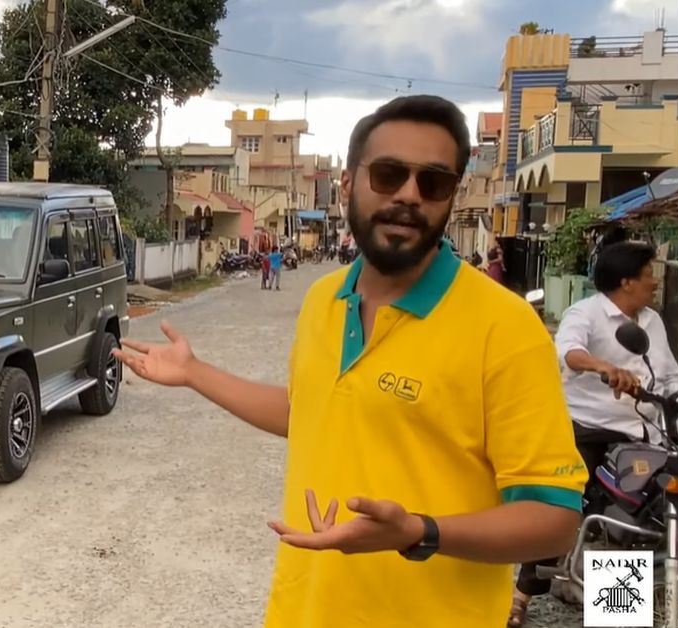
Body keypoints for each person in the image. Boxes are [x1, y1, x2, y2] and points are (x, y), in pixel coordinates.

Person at [112, 95, 585, 628]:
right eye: (388, 174)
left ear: (451, 196)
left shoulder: (506, 327)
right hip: (302, 611)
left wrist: (421, 532)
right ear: (347, 184)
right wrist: (196, 373)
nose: (409, 194)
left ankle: (627, 610)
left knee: (628, 570)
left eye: (433, 182)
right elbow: (307, 412)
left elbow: (557, 519)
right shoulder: (323, 299)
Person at [508, 240, 678, 627]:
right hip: (586, 429)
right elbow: (568, 351)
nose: (655, 281)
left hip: (642, 433)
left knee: (638, 517)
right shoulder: (583, 313)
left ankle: (620, 611)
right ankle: (522, 594)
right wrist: (604, 367)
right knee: (562, 506)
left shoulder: (651, 322)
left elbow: (670, 375)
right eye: (648, 274)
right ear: (626, 281)